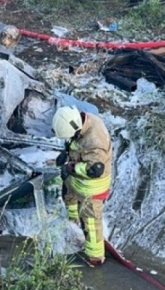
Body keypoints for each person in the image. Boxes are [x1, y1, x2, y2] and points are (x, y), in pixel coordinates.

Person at [52, 105, 112, 267]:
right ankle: (73, 220)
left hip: (92, 186)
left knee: (91, 222)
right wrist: (65, 154)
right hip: (78, 178)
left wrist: (71, 167)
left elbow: (95, 169)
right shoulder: (82, 121)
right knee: (68, 193)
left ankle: (95, 256)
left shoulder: (94, 142)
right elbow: (74, 142)